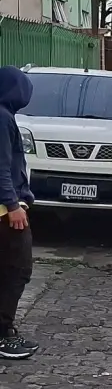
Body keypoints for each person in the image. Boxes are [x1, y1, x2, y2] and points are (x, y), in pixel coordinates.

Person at [0, 66, 37, 359]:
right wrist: (12, 205)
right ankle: (3, 334)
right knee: (17, 270)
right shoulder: (1, 118)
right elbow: (1, 168)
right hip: (4, 212)